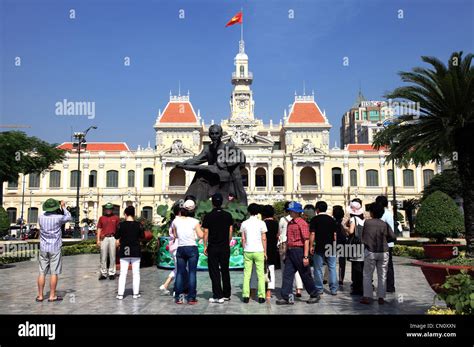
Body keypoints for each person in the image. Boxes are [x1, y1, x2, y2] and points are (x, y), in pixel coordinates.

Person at [276, 202, 321, 305]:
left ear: (297, 212)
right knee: (287, 275)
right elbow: (288, 239)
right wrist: (286, 252)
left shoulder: (302, 223)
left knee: (305, 274)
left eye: (291, 211)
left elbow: (306, 240)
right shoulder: (290, 223)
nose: (290, 212)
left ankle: (314, 294)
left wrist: (305, 256)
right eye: (290, 210)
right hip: (291, 251)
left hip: (299, 251)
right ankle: (286, 296)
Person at [360, 203, 396, 305]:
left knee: (367, 275)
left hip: (370, 251)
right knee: (382, 275)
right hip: (384, 251)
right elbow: (393, 236)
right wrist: (385, 239)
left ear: (371, 212)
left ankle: (367, 297)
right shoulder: (384, 224)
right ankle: (381, 297)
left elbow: (363, 236)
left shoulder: (367, 223)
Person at [36, 199, 71, 302]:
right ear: (55, 207)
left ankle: (40, 295)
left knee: (42, 272)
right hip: (55, 247)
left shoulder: (40, 217)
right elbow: (69, 217)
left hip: (43, 247)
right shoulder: (59, 218)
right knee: (54, 272)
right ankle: (52, 296)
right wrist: (63, 206)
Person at [202, 193, 234, 303]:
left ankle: (218, 295)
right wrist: (228, 241)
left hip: (213, 247)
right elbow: (230, 230)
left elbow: (206, 232)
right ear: (222, 202)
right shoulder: (228, 215)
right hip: (224, 247)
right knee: (225, 270)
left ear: (212, 203)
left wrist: (205, 245)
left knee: (214, 271)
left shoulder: (208, 216)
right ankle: (226, 294)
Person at [172, 199, 203, 305]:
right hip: (192, 248)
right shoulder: (195, 222)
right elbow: (201, 235)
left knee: (180, 273)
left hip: (180, 248)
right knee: (192, 273)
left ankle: (179, 297)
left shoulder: (176, 221)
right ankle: (191, 298)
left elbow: (175, 235)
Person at [115, 206, 144, 300]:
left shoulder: (121, 225)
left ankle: (120, 294)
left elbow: (116, 236)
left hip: (124, 250)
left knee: (123, 273)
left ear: (125, 214)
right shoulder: (139, 225)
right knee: (136, 273)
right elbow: (142, 236)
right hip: (135, 250)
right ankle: (136, 294)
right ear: (134, 214)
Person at [310, 201, 338, 296]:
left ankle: (319, 289)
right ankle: (334, 289)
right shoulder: (332, 220)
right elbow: (335, 235)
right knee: (332, 268)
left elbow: (312, 234)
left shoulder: (314, 219)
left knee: (318, 268)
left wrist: (311, 246)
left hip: (319, 246)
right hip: (331, 246)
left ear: (317, 209)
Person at [241, 203, 267, 304]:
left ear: (249, 211)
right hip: (259, 250)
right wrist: (265, 251)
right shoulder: (261, 223)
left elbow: (243, 239)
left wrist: (244, 249)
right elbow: (264, 238)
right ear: (258, 212)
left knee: (247, 274)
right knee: (260, 274)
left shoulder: (244, 223)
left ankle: (246, 296)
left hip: (248, 250)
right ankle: (261, 296)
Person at [278, 201, 303, 297]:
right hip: (296, 245)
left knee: (286, 268)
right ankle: (299, 288)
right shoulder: (299, 220)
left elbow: (279, 232)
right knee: (298, 267)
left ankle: (287, 288)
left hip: (284, 244)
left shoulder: (283, 219)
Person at [256, 205, 280, 300]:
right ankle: (269, 292)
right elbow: (278, 235)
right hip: (273, 249)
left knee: (260, 270)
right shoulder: (276, 223)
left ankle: (260, 289)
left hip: (262, 248)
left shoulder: (261, 223)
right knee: (271, 270)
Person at [159, 201, 182, 295]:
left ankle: (165, 285)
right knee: (181, 269)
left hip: (174, 247)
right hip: (178, 247)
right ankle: (176, 289)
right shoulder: (178, 221)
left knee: (179, 268)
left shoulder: (174, 221)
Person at [375, 195, 396, 293]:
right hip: (388, 243)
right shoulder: (389, 213)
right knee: (388, 265)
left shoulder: (382, 214)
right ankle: (389, 286)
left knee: (381, 265)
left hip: (383, 242)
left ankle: (386, 285)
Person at [96, 203, 120, 280]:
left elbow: (118, 230)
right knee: (103, 256)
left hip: (113, 237)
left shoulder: (116, 218)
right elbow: (99, 229)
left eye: (110, 209)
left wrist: (118, 240)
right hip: (104, 238)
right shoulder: (101, 218)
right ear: (105, 210)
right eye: (107, 209)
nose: (108, 210)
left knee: (113, 256)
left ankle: (112, 273)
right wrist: (98, 240)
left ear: (112, 210)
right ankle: (103, 273)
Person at [346, 199, 365, 295]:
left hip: (355, 245)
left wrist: (346, 228)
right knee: (362, 267)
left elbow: (351, 231)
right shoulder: (363, 219)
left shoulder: (353, 219)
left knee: (356, 267)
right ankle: (363, 286)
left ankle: (357, 288)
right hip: (363, 245)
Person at [332, 205, 348, 286]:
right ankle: (341, 279)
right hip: (343, 242)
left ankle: (329, 278)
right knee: (342, 262)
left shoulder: (332, 221)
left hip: (333, 243)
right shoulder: (345, 221)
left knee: (331, 261)